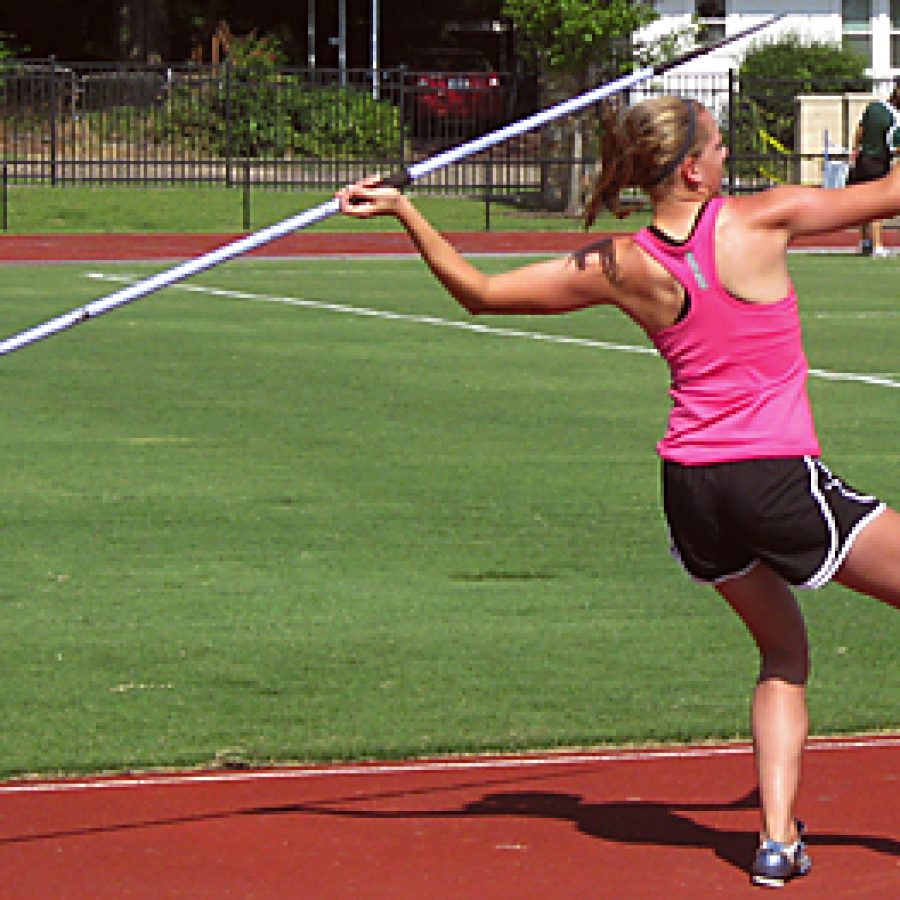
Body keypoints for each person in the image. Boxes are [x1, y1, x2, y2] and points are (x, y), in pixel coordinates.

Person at [336, 95, 900, 888]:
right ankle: (777, 837)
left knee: (783, 650)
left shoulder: (618, 262)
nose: (730, 148)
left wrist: (404, 210)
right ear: (693, 168)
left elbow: (479, 292)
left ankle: (777, 840)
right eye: (719, 140)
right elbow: (889, 195)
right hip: (772, 477)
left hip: (694, 493)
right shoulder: (761, 220)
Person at [847, 81, 900, 257]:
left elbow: (860, 130)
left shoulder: (874, 107)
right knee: (877, 206)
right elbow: (893, 146)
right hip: (878, 161)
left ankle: (864, 242)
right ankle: (877, 246)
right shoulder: (894, 116)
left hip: (863, 159)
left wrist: (854, 150)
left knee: (863, 204)